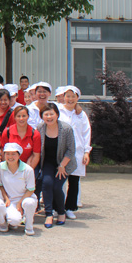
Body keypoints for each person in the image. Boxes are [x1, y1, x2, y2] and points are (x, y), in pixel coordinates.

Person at [37, 103, 77, 228]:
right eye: (46, 114)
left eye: (51, 114)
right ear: (42, 116)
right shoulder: (40, 128)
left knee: (56, 186)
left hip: (64, 163)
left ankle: (61, 212)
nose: (49, 117)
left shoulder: (66, 129)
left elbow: (71, 150)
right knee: (47, 183)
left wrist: (62, 165)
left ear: (57, 115)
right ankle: (49, 213)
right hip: (48, 162)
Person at [59, 85, 91, 219]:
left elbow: (86, 133)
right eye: (68, 96)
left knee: (74, 181)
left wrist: (86, 152)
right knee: (59, 181)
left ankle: (70, 208)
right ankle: (58, 207)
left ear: (77, 98)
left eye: (73, 96)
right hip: (61, 151)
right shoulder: (58, 110)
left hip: (77, 151)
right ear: (63, 97)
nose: (70, 99)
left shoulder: (81, 114)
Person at [0, 143, 37, 235]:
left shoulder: (28, 169)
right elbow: (0, 185)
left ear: (19, 155)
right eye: (7, 154)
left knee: (29, 203)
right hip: (11, 200)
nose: (10, 157)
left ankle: (29, 227)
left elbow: (31, 189)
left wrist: (20, 202)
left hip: (26, 198)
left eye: (13, 154)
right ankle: (9, 220)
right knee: (14, 220)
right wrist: (6, 198)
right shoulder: (0, 167)